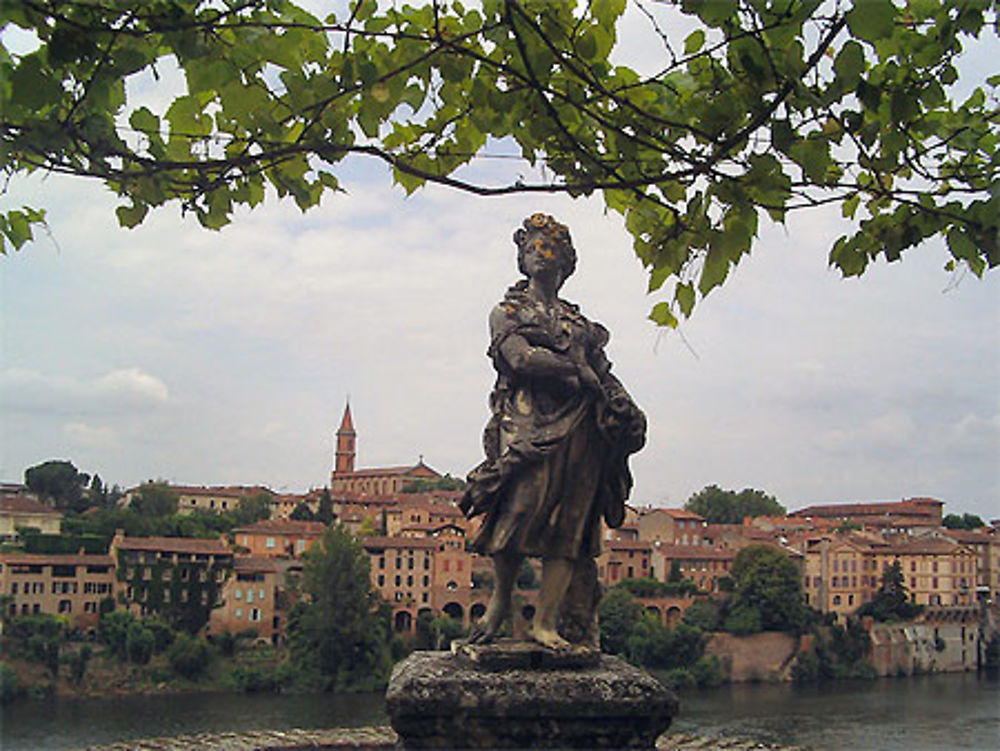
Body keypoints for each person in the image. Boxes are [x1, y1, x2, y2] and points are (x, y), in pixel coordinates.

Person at [460, 213, 646, 650]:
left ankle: (546, 622)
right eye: (533, 247)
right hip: (526, 419)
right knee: (518, 508)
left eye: (551, 248)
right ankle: (500, 603)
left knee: (572, 522)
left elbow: (603, 373)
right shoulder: (507, 311)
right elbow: (519, 360)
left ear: (566, 263)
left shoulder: (580, 325)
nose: (541, 254)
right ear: (522, 260)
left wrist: (624, 404)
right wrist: (577, 370)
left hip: (581, 425)